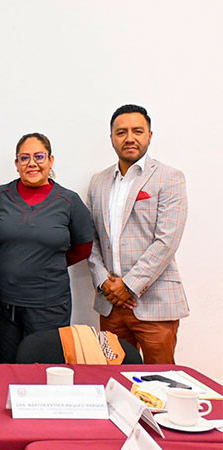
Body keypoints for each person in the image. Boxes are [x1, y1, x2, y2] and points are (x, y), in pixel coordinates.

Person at [87, 104, 188, 364]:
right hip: (110, 304)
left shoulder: (169, 178)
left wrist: (129, 286)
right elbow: (91, 239)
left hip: (155, 305)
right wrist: (103, 281)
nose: (129, 137)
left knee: (161, 382)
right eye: (121, 132)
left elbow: (167, 241)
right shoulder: (98, 182)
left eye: (137, 131)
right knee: (111, 380)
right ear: (111, 138)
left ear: (149, 135)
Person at [0, 132, 94, 363]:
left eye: (39, 156)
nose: (32, 163)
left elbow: (83, 248)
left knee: (44, 371)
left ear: (51, 161)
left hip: (50, 307)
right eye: (24, 158)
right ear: (16, 164)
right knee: (4, 367)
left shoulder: (69, 201)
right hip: (3, 306)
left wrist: (46, 263)